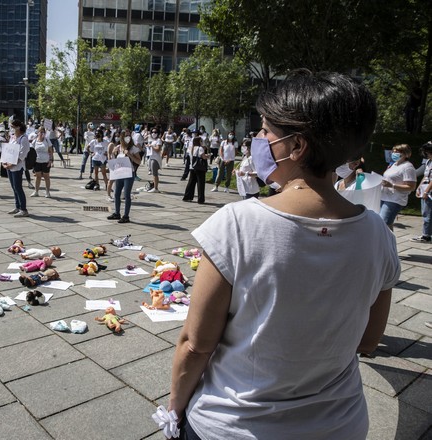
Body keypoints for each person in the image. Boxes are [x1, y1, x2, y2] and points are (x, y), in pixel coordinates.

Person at [168, 70, 399, 440]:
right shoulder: (378, 234)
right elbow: (369, 341)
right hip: (339, 424)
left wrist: (174, 411)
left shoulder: (237, 223)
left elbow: (196, 346)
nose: (257, 141)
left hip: (233, 425)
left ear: (297, 146)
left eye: (265, 132)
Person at [379, 144, 417, 230]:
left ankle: (386, 242)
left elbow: (411, 187)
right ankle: (390, 242)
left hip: (395, 199)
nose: (394, 153)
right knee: (387, 224)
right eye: (393, 151)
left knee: (384, 223)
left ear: (405, 154)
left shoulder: (408, 167)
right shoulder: (394, 164)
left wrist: (392, 185)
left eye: (397, 152)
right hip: (384, 197)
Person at [107, 129, 141, 223]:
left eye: (129, 135)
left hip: (129, 174)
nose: (127, 137)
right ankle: (117, 213)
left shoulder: (133, 148)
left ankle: (126, 216)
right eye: (125, 135)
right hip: (119, 173)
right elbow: (112, 159)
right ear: (121, 137)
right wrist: (113, 152)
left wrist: (129, 154)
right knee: (116, 193)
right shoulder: (118, 147)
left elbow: (138, 161)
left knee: (126, 194)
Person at [3, 119, 30, 217]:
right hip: (10, 166)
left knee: (18, 187)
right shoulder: (13, 138)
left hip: (17, 167)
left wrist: (12, 164)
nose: (11, 129)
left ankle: (23, 209)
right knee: (14, 187)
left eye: (12, 127)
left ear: (18, 127)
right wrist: (5, 161)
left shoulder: (24, 139)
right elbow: (9, 150)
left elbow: (22, 155)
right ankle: (17, 206)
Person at [411, 141, 432, 242]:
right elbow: (425, 175)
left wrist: (426, 192)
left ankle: (426, 235)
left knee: (427, 213)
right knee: (425, 212)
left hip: (429, 191)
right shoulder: (428, 161)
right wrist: (419, 187)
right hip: (426, 188)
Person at [182, 137, 208, 204]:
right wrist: (209, 156)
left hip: (192, 167)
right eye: (201, 141)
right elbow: (204, 157)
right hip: (200, 168)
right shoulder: (200, 148)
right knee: (200, 183)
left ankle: (187, 196)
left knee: (191, 182)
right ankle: (200, 199)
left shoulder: (191, 148)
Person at [30, 127, 54, 198]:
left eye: (43, 132)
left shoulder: (47, 140)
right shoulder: (35, 141)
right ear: (38, 132)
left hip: (46, 161)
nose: (41, 133)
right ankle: (36, 191)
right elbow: (32, 151)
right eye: (40, 132)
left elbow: (50, 151)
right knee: (38, 177)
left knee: (46, 177)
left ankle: (47, 192)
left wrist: (50, 160)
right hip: (37, 161)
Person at [147, 128, 163, 192]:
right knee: (153, 173)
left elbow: (158, 149)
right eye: (152, 132)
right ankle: (154, 186)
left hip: (155, 158)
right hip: (151, 157)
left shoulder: (158, 140)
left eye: (155, 132)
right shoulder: (152, 140)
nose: (153, 133)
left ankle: (156, 188)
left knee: (155, 174)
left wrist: (151, 146)